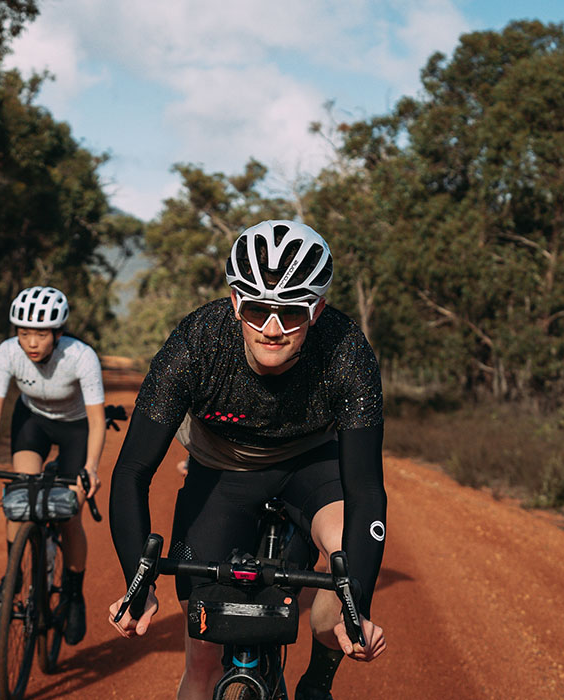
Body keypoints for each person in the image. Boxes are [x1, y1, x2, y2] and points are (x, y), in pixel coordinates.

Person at [107, 221, 387, 700]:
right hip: (222, 471)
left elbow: (365, 491)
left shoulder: (346, 351)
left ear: (316, 309)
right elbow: (132, 471)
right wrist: (138, 582)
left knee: (345, 564)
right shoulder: (196, 343)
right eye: (257, 309)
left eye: (291, 313)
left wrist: (353, 606)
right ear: (236, 301)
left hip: (310, 465)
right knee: (202, 660)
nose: (272, 329)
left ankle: (318, 679)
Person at [0, 285, 105, 646]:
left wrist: (90, 468)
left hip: (75, 427)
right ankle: (14, 572)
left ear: (58, 334)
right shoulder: (7, 353)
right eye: (24, 333)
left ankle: (74, 593)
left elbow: (96, 421)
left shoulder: (81, 357)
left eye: (41, 334)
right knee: (20, 499)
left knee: (68, 513)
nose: (31, 342)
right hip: (32, 422)